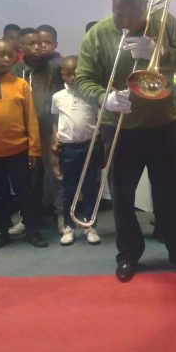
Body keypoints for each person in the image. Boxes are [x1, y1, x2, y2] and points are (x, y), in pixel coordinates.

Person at [75, 0, 176, 282]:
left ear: (145, 6)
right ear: (112, 3)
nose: (124, 21)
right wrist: (104, 99)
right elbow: (83, 79)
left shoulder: (164, 22)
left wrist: (159, 52)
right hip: (120, 129)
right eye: (117, 12)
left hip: (164, 126)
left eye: (131, 14)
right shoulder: (98, 34)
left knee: (171, 194)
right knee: (122, 197)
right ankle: (128, 254)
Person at [0, 39, 48, 251]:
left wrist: (34, 148)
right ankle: (1, 231)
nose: (6, 58)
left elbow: (31, 120)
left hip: (19, 151)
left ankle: (31, 229)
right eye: (1, 54)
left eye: (10, 55)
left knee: (26, 192)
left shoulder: (21, 85)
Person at [11, 28, 64, 234]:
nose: (38, 47)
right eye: (32, 44)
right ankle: (28, 218)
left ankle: (62, 216)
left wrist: (58, 132)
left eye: (40, 43)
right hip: (23, 134)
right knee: (27, 178)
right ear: (21, 47)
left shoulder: (53, 69)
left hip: (48, 131)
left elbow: (61, 101)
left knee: (57, 175)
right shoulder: (15, 71)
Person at [51, 56, 101, 246]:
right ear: (62, 75)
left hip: (89, 147)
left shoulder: (91, 94)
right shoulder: (57, 97)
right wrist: (55, 139)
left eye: (76, 73)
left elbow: (99, 117)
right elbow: (55, 121)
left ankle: (89, 225)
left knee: (89, 187)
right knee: (69, 188)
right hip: (68, 149)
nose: (73, 77)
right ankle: (69, 227)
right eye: (69, 74)